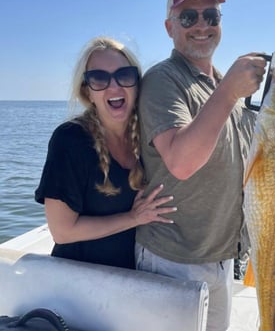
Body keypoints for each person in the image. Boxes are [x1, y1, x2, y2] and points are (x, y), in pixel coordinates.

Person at [136, 0, 267, 330]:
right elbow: (180, 162)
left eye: (210, 16)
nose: (201, 25)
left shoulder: (226, 88)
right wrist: (228, 93)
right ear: (169, 27)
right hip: (174, 259)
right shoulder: (162, 80)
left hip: (222, 255)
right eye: (188, 17)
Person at [35, 36, 176, 269]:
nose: (114, 86)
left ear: (137, 84)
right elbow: (62, 232)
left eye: (125, 75)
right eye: (99, 78)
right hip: (78, 278)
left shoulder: (149, 135)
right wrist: (133, 218)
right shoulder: (70, 140)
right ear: (88, 91)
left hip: (135, 276)